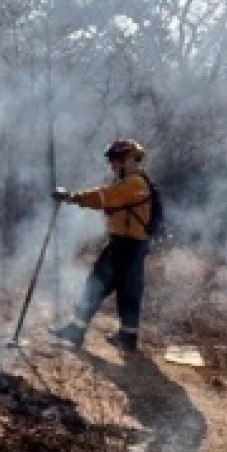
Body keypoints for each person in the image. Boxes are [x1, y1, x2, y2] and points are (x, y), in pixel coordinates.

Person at [49, 138, 153, 352]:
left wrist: (71, 197)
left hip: (126, 246)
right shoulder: (134, 182)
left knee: (96, 285)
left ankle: (76, 331)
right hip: (130, 245)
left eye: (115, 160)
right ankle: (127, 337)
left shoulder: (134, 184)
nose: (112, 165)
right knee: (128, 290)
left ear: (128, 160)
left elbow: (104, 197)